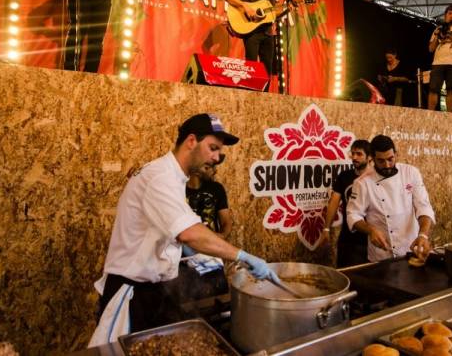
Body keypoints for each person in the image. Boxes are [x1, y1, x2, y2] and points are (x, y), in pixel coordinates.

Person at [93, 113, 278, 334]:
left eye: (220, 151)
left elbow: (175, 230)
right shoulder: (159, 177)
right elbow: (189, 233)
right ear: (191, 141)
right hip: (133, 296)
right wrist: (243, 257)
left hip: (154, 290)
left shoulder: (173, 176)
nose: (217, 157)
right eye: (213, 148)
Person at [346, 135, 435, 263]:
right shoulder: (362, 183)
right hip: (381, 254)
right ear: (372, 158)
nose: (387, 165)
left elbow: (423, 206)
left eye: (390, 159)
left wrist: (423, 235)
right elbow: (353, 215)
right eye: (381, 161)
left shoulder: (411, 173)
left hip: (412, 249)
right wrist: (370, 230)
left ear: (396, 154)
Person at [226, 0, 288, 86]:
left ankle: (263, 99)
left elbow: (273, 14)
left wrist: (288, 9)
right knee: (251, 68)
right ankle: (249, 96)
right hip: (251, 31)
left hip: (267, 33)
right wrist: (245, 6)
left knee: (267, 70)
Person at [319, 139, 371, 267]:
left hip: (371, 240)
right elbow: (333, 203)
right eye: (352, 153)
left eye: (359, 154)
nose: (354, 157)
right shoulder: (344, 176)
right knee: (347, 277)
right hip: (348, 240)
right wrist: (326, 228)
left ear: (369, 157)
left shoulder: (375, 178)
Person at [186, 154, 232, 239]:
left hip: (210, 246)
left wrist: (221, 236)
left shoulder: (216, 188)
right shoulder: (179, 189)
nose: (214, 171)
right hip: (184, 246)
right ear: (196, 171)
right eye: (208, 167)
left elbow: (226, 221)